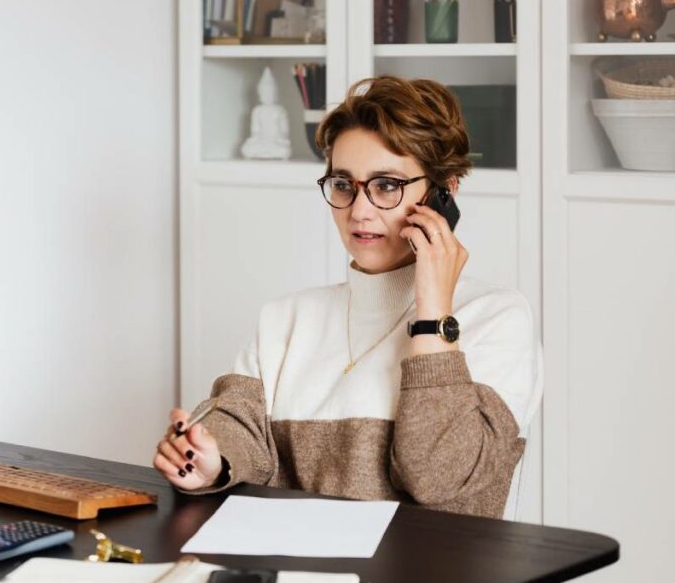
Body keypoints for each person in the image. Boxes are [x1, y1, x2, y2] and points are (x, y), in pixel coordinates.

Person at [153, 76, 543, 519]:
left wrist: (433, 313)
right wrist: (211, 461)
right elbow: (240, 426)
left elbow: (438, 477)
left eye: (387, 185)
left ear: (444, 193)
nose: (360, 211)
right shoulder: (286, 317)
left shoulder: (497, 317)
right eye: (343, 184)